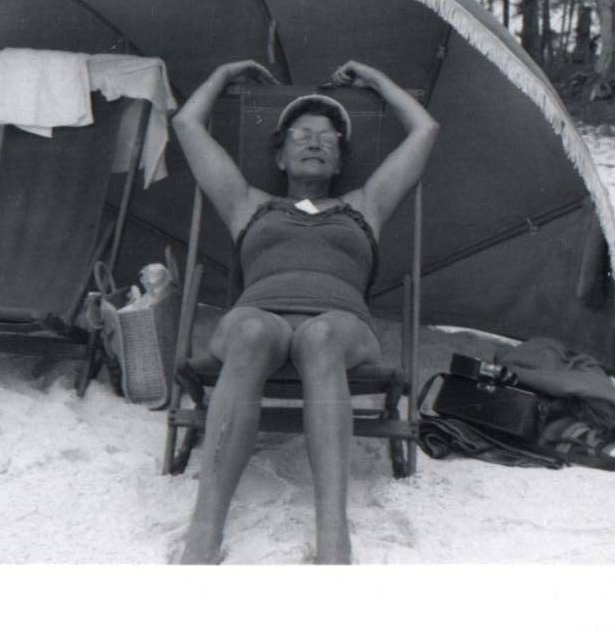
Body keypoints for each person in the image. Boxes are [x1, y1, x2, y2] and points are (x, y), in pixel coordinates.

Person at [171, 59, 439, 564]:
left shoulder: (365, 205)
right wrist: (225, 74)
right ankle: (204, 532)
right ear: (279, 155)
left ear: (339, 162)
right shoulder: (248, 204)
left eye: (329, 138)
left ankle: (333, 538)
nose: (316, 141)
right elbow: (186, 124)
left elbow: (426, 129)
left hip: (340, 326)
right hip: (260, 317)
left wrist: (377, 78)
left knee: (319, 338)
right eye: (301, 134)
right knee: (250, 331)